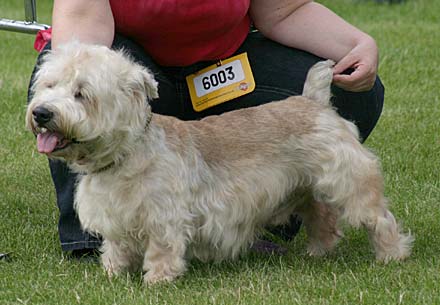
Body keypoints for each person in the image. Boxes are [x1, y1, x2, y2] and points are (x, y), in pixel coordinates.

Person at [28, 0, 384, 258]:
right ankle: (99, 236)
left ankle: (265, 219)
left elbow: (284, 10)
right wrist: (88, 94)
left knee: (352, 92)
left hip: (223, 69)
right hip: (141, 75)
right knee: (69, 98)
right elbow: (82, 39)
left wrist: (357, 45)